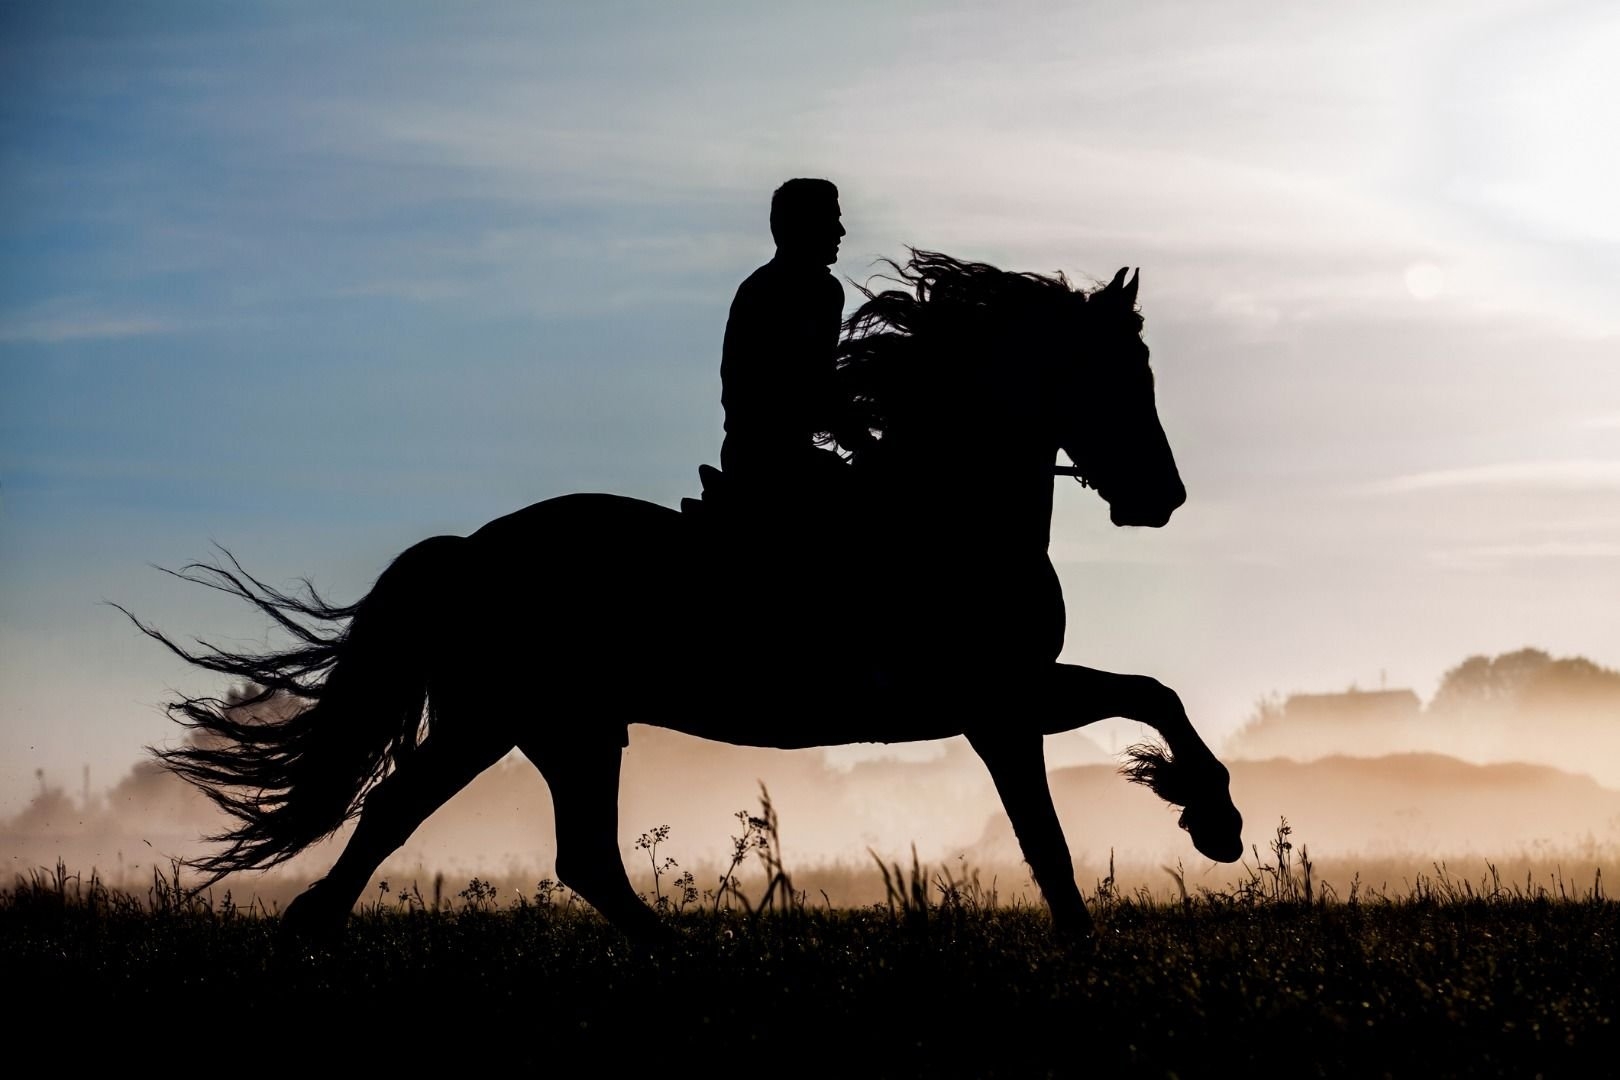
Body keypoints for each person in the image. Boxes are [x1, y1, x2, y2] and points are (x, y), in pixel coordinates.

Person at [717, 178, 850, 512]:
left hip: (770, 453)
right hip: (769, 462)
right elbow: (816, 380)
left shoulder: (778, 287)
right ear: (806, 225)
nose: (841, 231)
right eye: (832, 220)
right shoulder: (802, 292)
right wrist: (858, 437)